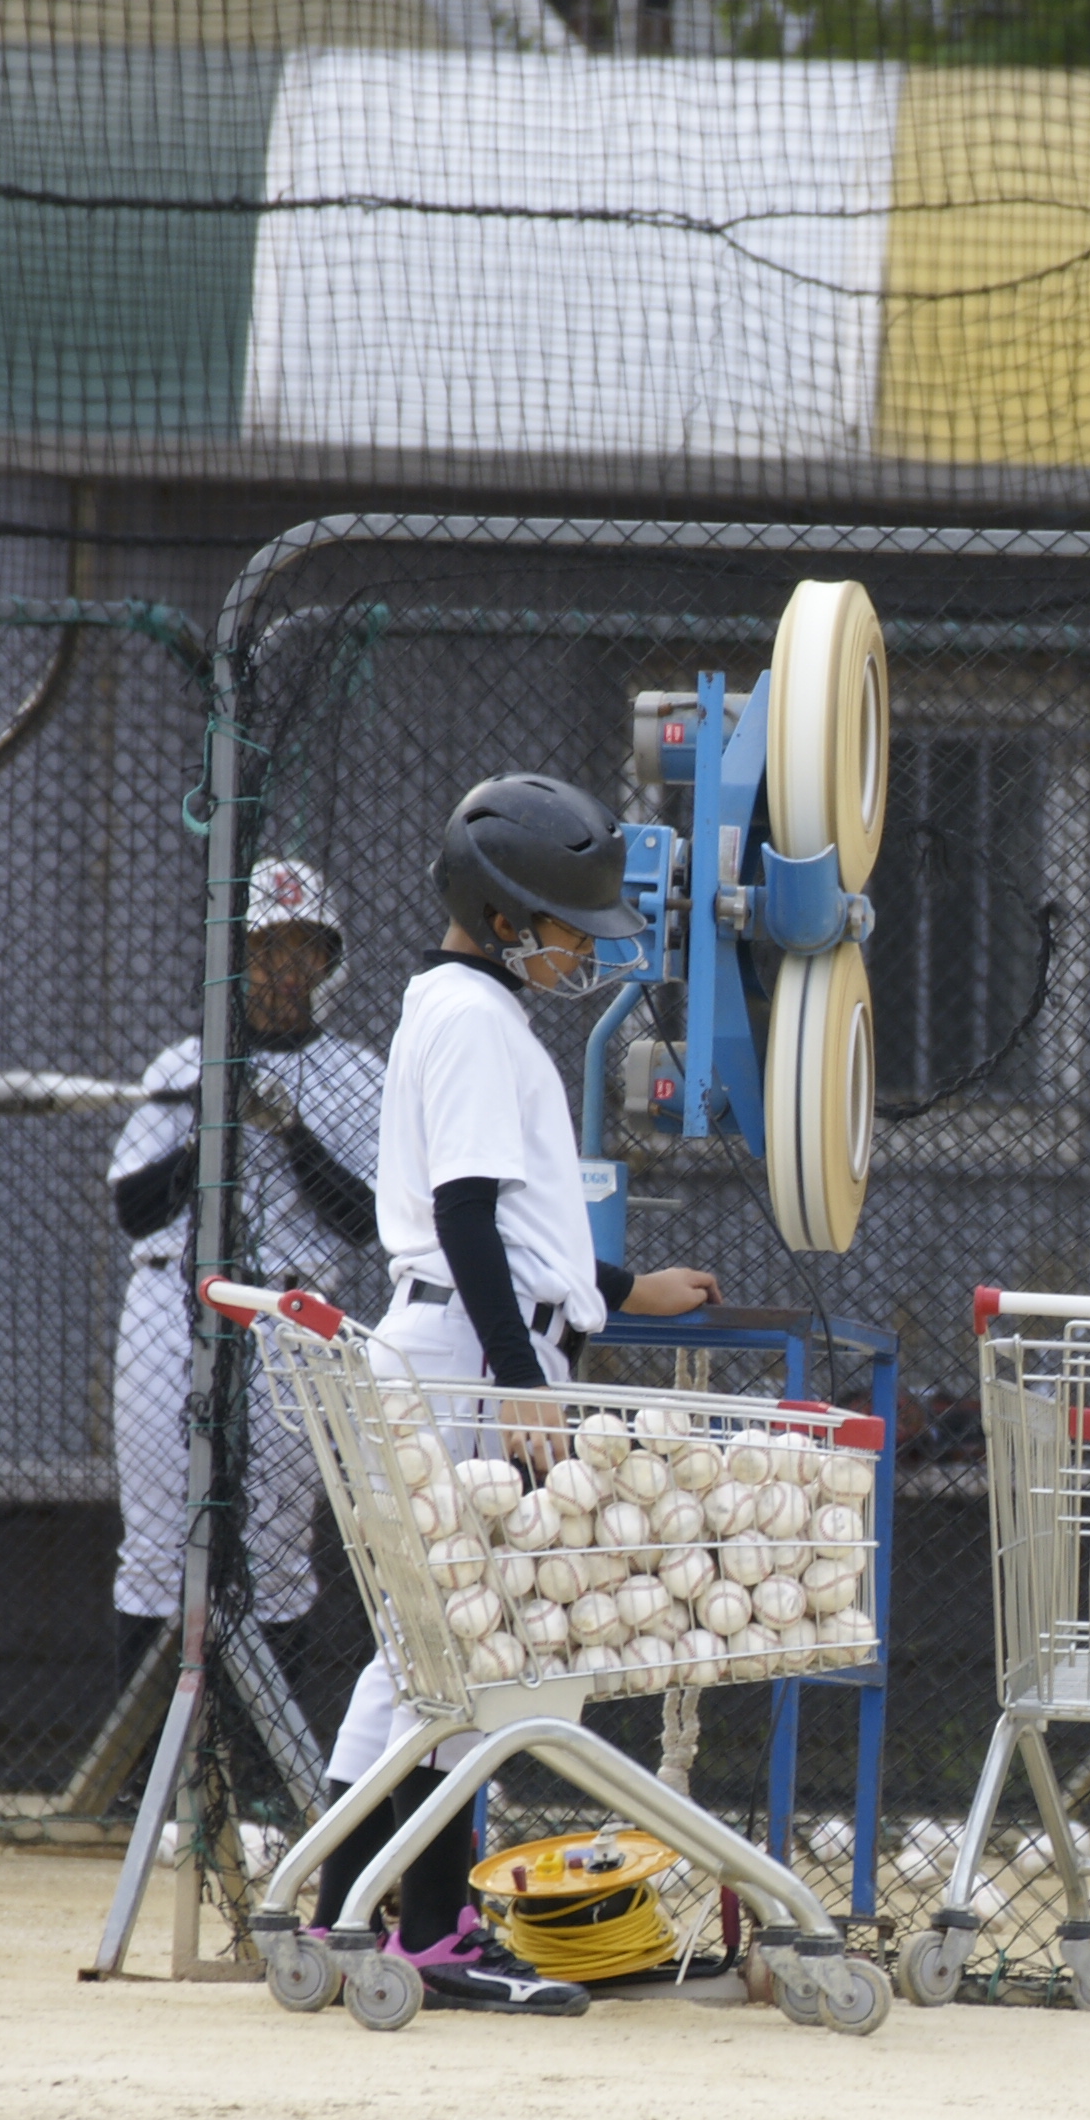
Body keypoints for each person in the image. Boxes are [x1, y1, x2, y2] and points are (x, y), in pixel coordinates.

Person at [311, 776, 719, 2016]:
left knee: (424, 1649)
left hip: (460, 1343)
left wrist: (620, 1287)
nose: (579, 950)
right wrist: (524, 1374)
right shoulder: (478, 1019)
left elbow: (516, 1226)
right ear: (499, 917)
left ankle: (340, 1912)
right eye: (561, 926)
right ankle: (425, 1928)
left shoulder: (454, 1006)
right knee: (460, 1648)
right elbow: (466, 1216)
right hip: (473, 1358)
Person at [108, 856, 385, 1691]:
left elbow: (365, 1220)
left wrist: (292, 1132)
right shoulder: (183, 1066)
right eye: (266, 947)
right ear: (235, 957)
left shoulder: (357, 1074)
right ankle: (148, 1753)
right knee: (159, 1548)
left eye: (304, 947)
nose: (285, 968)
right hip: (170, 1304)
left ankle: (262, 1758)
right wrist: (212, 1131)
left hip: (291, 1311)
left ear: (329, 962)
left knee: (274, 1551)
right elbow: (134, 1209)